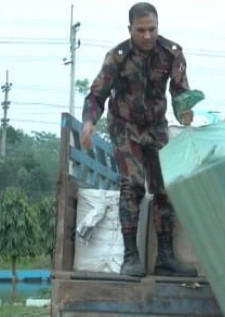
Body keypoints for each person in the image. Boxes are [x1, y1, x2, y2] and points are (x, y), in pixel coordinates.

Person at [81, 2, 196, 277]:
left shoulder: (172, 54)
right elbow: (96, 95)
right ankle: (131, 257)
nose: (147, 36)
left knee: (165, 188)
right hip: (124, 126)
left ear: (159, 27)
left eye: (152, 29)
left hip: (155, 127)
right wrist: (88, 123)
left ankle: (165, 257)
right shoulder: (117, 57)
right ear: (130, 29)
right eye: (140, 30)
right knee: (132, 183)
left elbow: (181, 93)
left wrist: (186, 112)